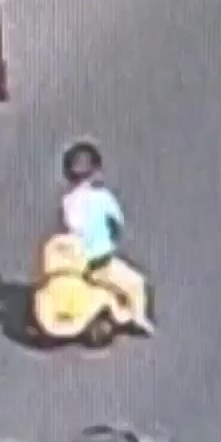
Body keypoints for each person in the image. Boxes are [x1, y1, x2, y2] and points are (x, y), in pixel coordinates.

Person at [60, 140, 155, 335]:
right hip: (100, 261)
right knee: (137, 283)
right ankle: (138, 317)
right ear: (96, 171)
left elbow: (70, 226)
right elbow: (117, 222)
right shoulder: (102, 198)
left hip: (75, 261)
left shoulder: (67, 202)